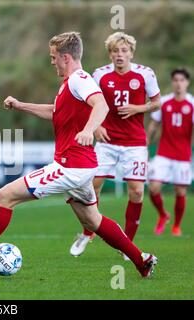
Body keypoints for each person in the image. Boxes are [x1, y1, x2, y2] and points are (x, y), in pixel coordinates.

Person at [0, 32, 158, 278]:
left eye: (54, 57)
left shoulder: (79, 79)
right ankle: (142, 260)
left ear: (66, 57)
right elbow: (55, 111)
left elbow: (102, 104)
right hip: (81, 166)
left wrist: (88, 130)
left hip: (70, 166)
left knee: (5, 195)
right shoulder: (70, 83)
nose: (52, 61)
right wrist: (21, 105)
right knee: (93, 221)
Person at [69, 32, 161, 258]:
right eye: (115, 51)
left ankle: (127, 245)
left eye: (124, 51)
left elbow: (157, 103)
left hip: (135, 143)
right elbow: (87, 103)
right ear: (109, 54)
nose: (119, 55)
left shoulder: (145, 74)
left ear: (131, 52)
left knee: (137, 192)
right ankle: (87, 233)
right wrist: (95, 127)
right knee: (92, 185)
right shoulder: (99, 74)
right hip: (107, 142)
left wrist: (137, 109)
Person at [148, 68, 193, 236]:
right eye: (176, 80)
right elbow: (154, 124)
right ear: (172, 82)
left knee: (180, 191)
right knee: (153, 187)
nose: (178, 83)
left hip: (182, 156)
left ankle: (176, 226)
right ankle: (163, 215)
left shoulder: (192, 104)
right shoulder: (164, 102)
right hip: (163, 153)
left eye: (182, 80)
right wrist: (146, 142)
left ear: (187, 83)